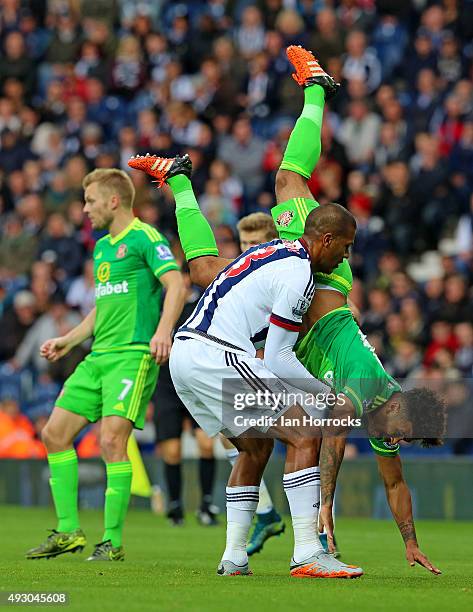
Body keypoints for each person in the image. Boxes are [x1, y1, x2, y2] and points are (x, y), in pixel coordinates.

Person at [130, 45, 444, 576]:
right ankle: (317, 90)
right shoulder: (371, 384)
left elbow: (393, 480)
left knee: (206, 274)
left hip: (248, 330)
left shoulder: (384, 422)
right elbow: (332, 436)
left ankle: (179, 181)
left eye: (406, 438)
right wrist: (323, 501)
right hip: (314, 295)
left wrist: (409, 541)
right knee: (286, 182)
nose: (398, 438)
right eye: (407, 430)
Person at [129, 161, 363, 580]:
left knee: (254, 449)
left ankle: (234, 557)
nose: (345, 257)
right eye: (344, 247)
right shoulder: (300, 275)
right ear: (325, 240)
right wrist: (325, 397)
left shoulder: (269, 252)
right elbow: (276, 358)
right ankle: (309, 552)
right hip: (216, 354)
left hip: (186, 356)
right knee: (306, 429)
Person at [26, 168, 186, 561]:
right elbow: (102, 308)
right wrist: (68, 340)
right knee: (54, 434)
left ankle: (111, 541)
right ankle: (68, 531)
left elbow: (177, 284)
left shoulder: (145, 237)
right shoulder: (101, 248)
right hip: (97, 357)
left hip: (132, 356)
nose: (85, 209)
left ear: (114, 201)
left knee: (112, 440)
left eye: (91, 201)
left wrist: (163, 331)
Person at [154, 271, 219, 527]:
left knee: (205, 443)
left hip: (196, 381)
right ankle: (175, 505)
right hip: (166, 383)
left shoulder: (202, 302)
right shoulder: (160, 304)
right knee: (172, 450)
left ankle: (206, 503)